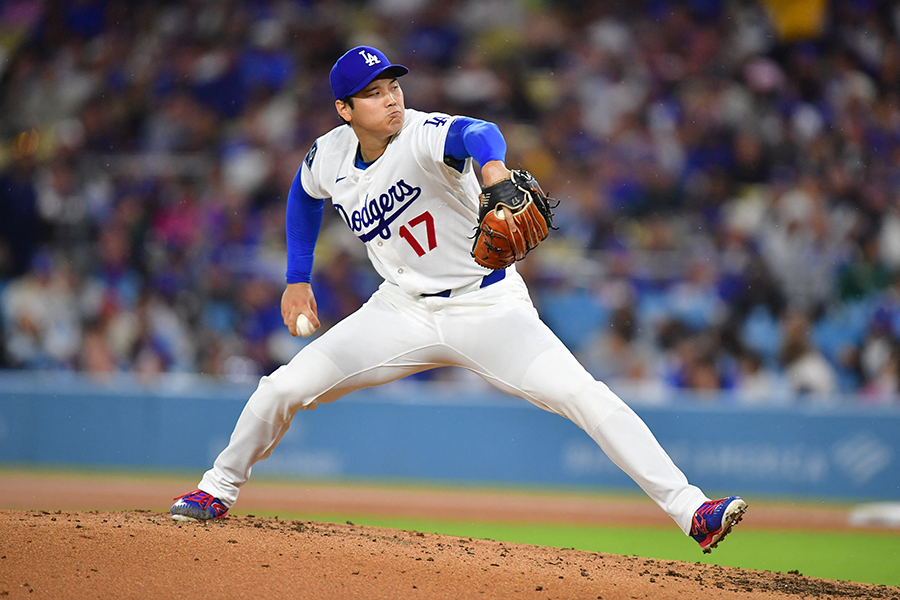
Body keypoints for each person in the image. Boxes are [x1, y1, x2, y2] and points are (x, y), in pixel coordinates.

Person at [171, 46, 747, 553]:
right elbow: (302, 194)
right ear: (344, 110)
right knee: (281, 387)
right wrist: (298, 276)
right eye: (373, 94)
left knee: (583, 395)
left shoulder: (422, 134)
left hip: (487, 307)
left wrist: (493, 171)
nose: (391, 99)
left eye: (392, 86)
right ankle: (215, 490)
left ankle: (692, 510)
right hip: (400, 310)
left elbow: (479, 132)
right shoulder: (330, 155)